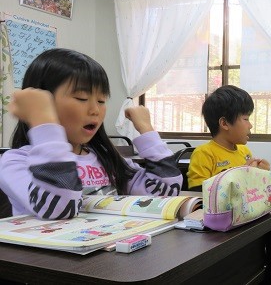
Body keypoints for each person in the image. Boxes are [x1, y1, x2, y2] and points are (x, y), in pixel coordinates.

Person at [0, 48, 182, 219]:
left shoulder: (106, 159)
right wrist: (43, 122)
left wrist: (146, 130)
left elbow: (165, 191)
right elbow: (59, 208)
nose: (95, 109)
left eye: (102, 100)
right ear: (43, 102)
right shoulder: (15, 162)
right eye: (82, 98)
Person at [187, 85, 270, 191]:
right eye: (246, 119)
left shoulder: (245, 152)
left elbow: (250, 189)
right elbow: (198, 192)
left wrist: (261, 175)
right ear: (225, 123)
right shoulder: (204, 154)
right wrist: (241, 175)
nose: (250, 125)